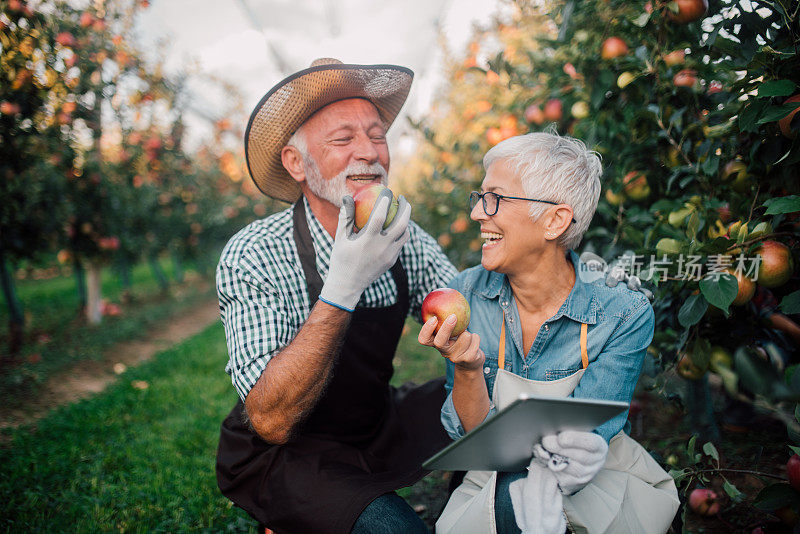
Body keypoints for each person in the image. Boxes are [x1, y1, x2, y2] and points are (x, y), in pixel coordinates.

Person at [214, 58, 459, 534]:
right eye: (343, 139)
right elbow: (270, 419)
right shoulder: (255, 254)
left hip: (373, 422)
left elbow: (474, 315)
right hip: (288, 451)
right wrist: (344, 284)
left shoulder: (405, 239)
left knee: (494, 421)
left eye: (377, 135)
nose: (369, 152)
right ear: (296, 162)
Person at [421, 133, 680, 533]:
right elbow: (474, 438)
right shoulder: (467, 295)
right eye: (479, 197)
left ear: (555, 220)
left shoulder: (622, 313)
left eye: (495, 198)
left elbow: (589, 437)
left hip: (591, 471)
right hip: (494, 472)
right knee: (513, 491)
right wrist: (469, 370)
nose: (476, 214)